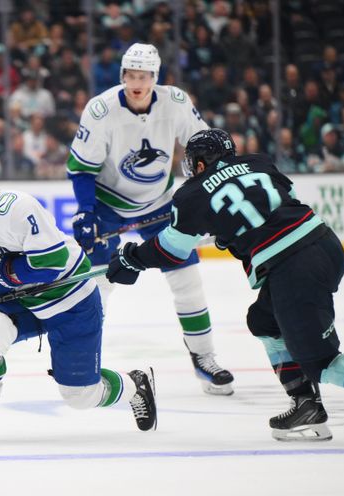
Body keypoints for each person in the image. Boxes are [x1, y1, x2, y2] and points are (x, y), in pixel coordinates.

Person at [106, 128, 344, 443]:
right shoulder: (259, 162)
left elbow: (172, 248)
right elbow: (270, 203)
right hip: (323, 245)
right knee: (264, 321)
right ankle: (306, 406)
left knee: (322, 361)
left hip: (293, 266)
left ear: (200, 163)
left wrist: (131, 258)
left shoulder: (191, 194)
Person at [0, 153, 157, 442]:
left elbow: (53, 262)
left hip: (71, 301)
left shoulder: (18, 208)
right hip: (25, 299)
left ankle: (136, 384)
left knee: (80, 396)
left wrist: (6, 271)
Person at [66, 42, 234, 395]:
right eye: (130, 74)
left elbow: (204, 145)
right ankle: (85, 360)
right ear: (122, 75)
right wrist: (85, 210)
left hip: (161, 204)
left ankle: (204, 358)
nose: (136, 81)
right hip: (109, 205)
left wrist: (209, 192)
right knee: (99, 286)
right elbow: (81, 168)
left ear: (155, 77)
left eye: (143, 75)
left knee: (187, 280)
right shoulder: (101, 110)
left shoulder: (174, 102)